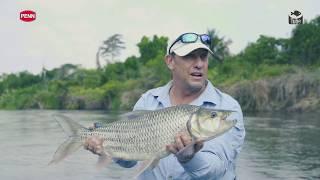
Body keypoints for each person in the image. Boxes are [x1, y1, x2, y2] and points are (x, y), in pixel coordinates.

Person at [85, 32, 245, 179]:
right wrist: (106, 146)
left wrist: (189, 158)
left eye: (203, 57)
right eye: (190, 57)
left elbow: (216, 170)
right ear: (170, 61)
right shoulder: (148, 100)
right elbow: (130, 161)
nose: (199, 64)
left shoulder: (229, 108)